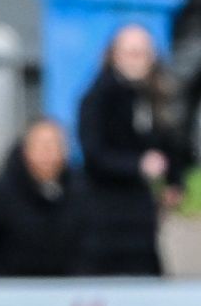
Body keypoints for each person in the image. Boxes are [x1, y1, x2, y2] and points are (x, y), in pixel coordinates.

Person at [75, 24, 190, 276]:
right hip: (105, 209)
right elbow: (93, 153)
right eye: (130, 53)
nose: (137, 61)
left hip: (141, 206)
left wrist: (175, 180)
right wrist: (137, 165)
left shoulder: (155, 93)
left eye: (143, 53)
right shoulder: (98, 97)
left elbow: (169, 144)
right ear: (114, 55)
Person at [0, 118, 79, 277]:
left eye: (54, 145)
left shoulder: (79, 192)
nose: (48, 153)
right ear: (26, 149)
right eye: (41, 145)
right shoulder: (0, 193)